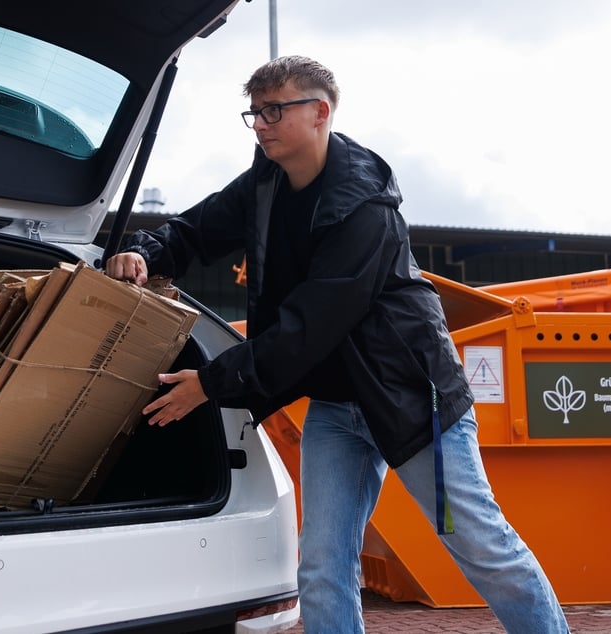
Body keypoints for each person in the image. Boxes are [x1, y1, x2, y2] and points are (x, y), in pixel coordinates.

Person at [104, 55, 569, 634]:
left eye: (275, 110)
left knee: (482, 548)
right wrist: (144, 251)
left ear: (320, 112)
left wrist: (213, 383)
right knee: (322, 567)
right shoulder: (266, 184)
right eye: (255, 113)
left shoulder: (362, 207)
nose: (262, 124)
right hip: (335, 406)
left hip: (411, 400)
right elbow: (196, 229)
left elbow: (311, 324)